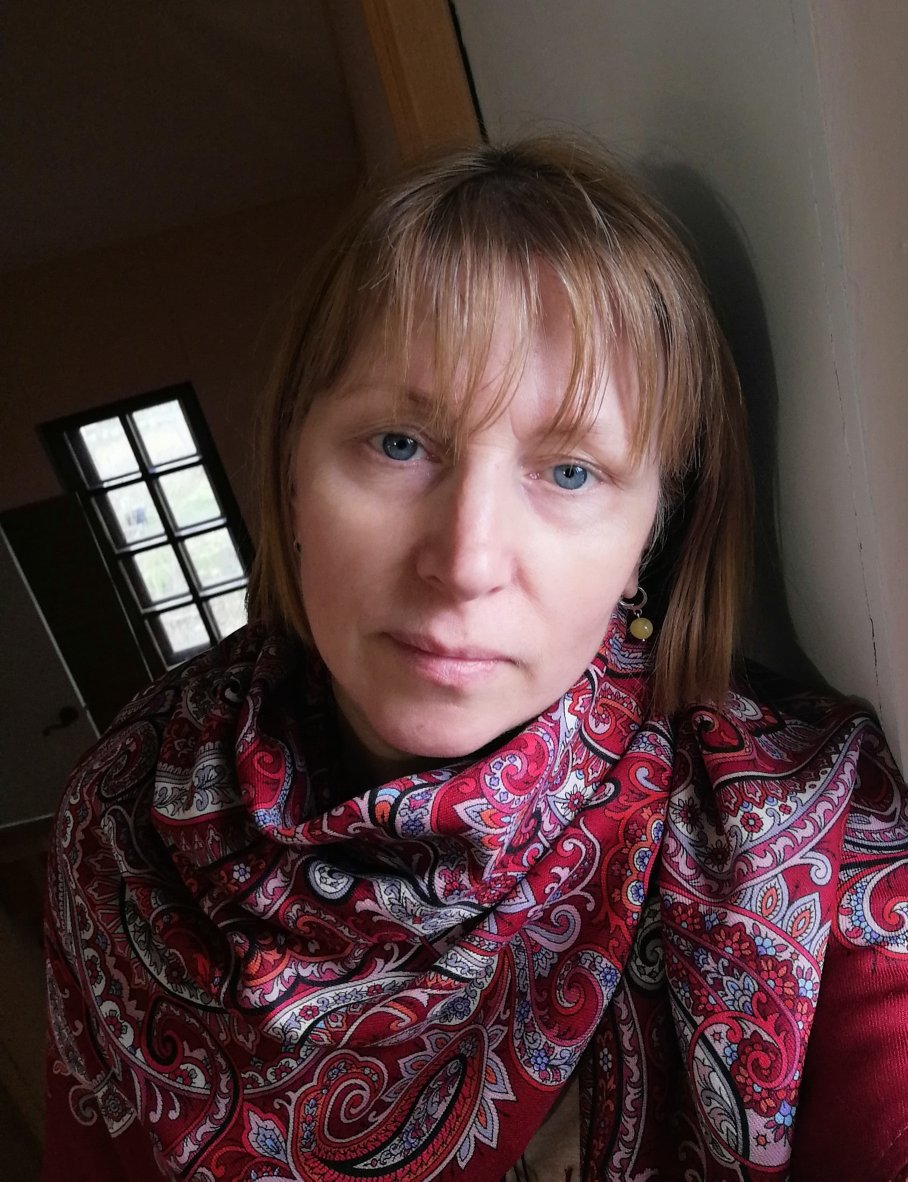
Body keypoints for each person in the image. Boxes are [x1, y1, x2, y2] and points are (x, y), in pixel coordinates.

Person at [43, 139, 908, 1182]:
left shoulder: (797, 839)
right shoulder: (124, 813)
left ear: (652, 537)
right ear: (291, 466)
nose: (465, 561)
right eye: (399, 443)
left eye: (570, 471)